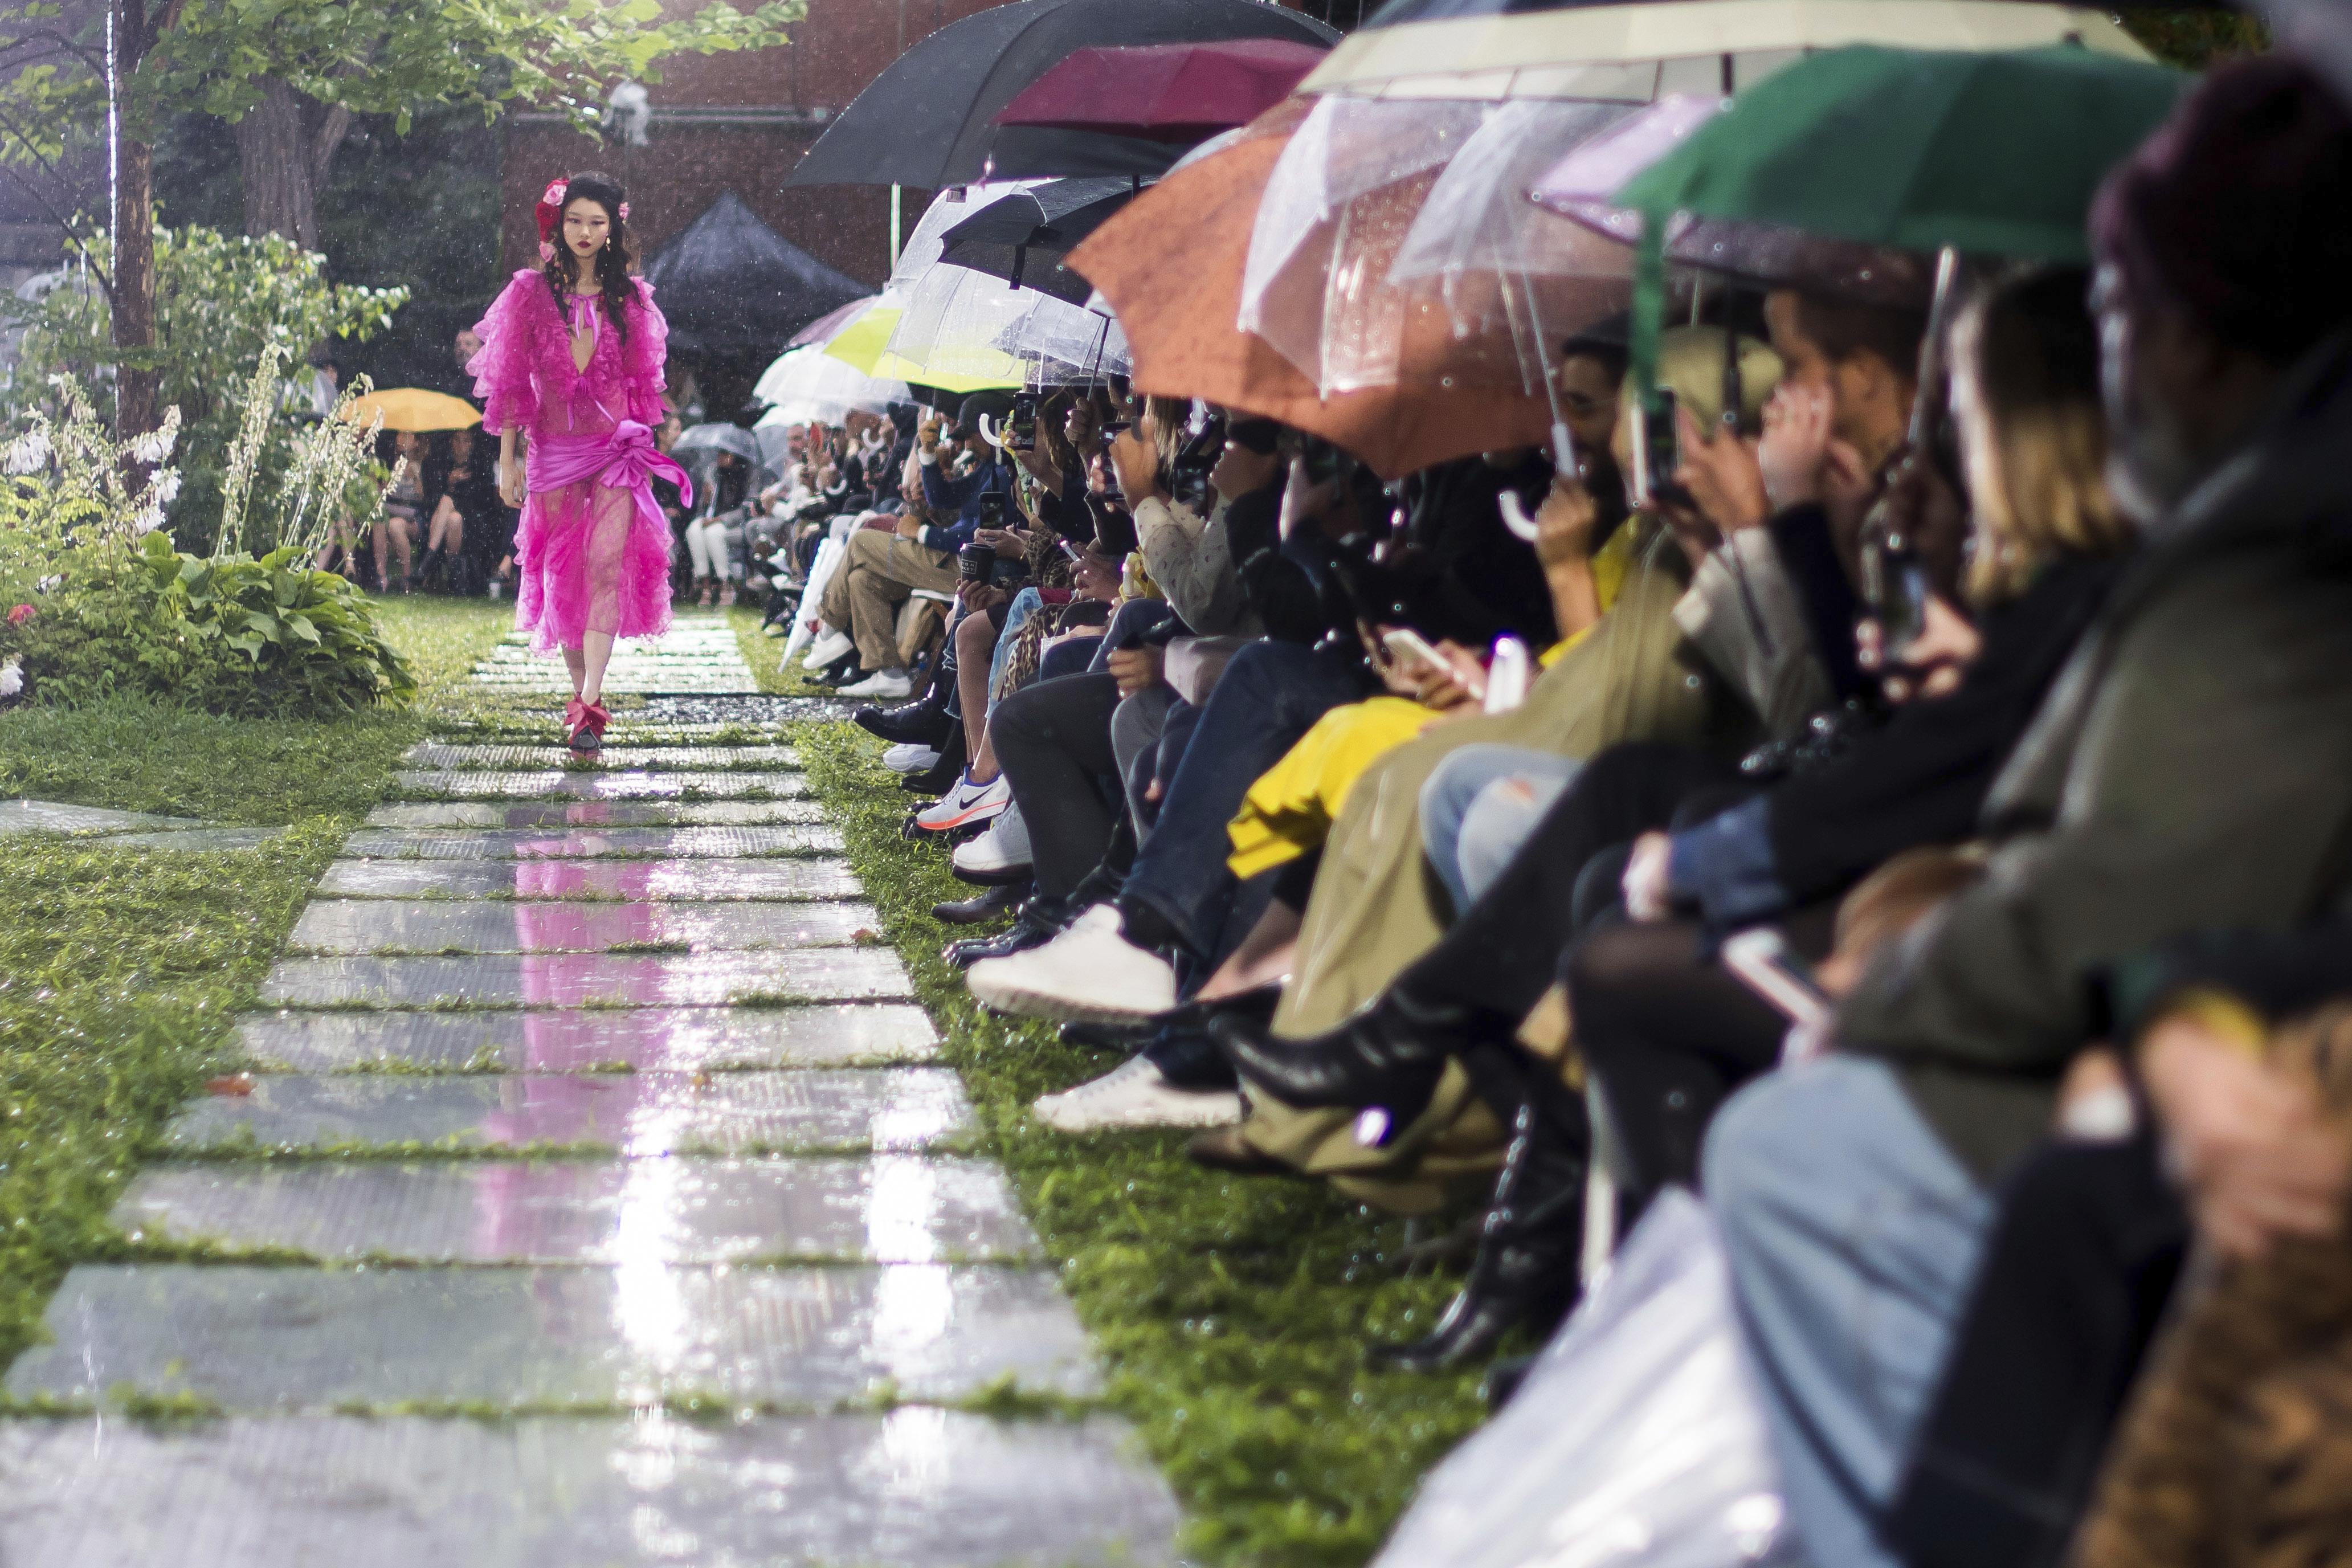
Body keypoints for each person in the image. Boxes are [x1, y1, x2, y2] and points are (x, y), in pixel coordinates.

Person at [1701, 56, 2352, 1568]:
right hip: (2113, 977)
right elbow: (1857, 741)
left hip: (2124, 1014)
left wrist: (1797, 539)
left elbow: (2095, 871)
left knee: (1783, 1123)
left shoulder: (2260, 547)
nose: (1828, 411)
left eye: (1845, 378)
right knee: (1620, 882)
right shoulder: (2184, 534)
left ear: (2183, 337)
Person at [469, 169, 688, 753]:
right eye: (575, 220)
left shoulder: (634, 300)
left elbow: (645, 384)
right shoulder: (528, 295)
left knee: (605, 563)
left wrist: (645, 442)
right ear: (558, 225)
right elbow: (511, 385)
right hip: (553, 453)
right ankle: (578, 696)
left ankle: (592, 699)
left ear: (614, 228)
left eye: (597, 221)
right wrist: (507, 461)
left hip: (615, 453)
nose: (585, 232)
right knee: (562, 573)